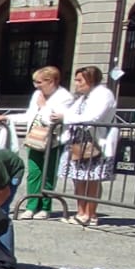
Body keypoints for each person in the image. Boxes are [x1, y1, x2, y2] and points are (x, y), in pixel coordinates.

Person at [0, 65, 71, 218]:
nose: (36, 86)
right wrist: (7, 118)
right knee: (34, 172)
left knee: (48, 174)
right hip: (35, 138)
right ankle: (31, 206)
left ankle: (45, 207)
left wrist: (44, 107)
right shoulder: (37, 94)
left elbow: (52, 119)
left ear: (51, 81)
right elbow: (29, 115)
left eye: (39, 82)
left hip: (54, 140)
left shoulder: (64, 97)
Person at [54, 65, 119, 228]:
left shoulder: (104, 95)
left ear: (90, 79)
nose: (76, 83)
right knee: (78, 178)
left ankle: (91, 214)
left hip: (95, 142)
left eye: (79, 80)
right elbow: (73, 114)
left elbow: (94, 117)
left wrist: (65, 116)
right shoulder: (83, 98)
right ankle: (81, 212)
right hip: (78, 141)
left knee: (92, 179)